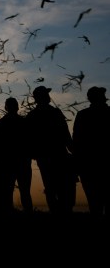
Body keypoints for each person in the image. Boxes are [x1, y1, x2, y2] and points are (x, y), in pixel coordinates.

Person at [26, 86, 75, 214]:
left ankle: (56, 212)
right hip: (58, 156)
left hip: (44, 158)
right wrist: (74, 152)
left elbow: (28, 139)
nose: (49, 96)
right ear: (42, 97)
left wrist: (35, 154)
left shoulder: (31, 116)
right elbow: (66, 135)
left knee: (50, 188)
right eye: (46, 94)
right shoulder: (55, 113)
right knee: (62, 188)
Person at [72, 86, 110, 217]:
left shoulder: (82, 115)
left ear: (89, 99)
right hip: (101, 165)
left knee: (94, 203)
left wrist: (76, 165)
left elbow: (76, 142)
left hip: (87, 166)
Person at [0, 97, 33, 213]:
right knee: (24, 191)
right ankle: (28, 212)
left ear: (5, 107)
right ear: (17, 107)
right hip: (22, 162)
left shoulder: (0, 124)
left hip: (7, 163)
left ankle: (10, 212)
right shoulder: (25, 123)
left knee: (8, 191)